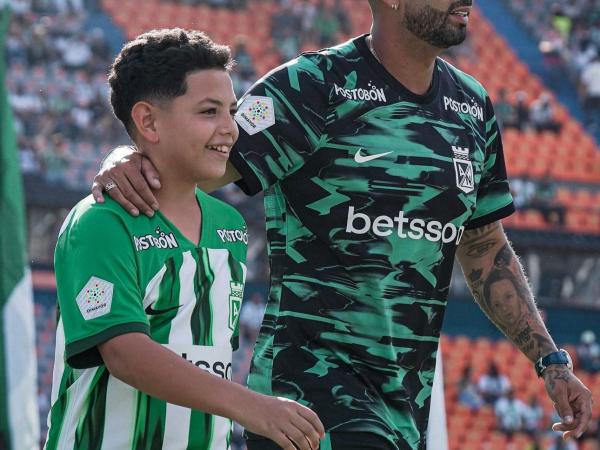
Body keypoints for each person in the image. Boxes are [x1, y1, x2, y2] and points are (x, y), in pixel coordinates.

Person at [91, 2, 593, 449]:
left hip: (404, 408)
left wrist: (549, 360)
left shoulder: (472, 106)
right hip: (309, 401)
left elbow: (484, 245)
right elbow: (202, 162)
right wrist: (127, 156)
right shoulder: (313, 85)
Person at [45, 28, 324, 450]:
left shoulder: (230, 227)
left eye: (232, 111)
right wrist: (253, 407)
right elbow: (125, 354)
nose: (230, 128)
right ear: (148, 121)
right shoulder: (101, 223)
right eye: (209, 112)